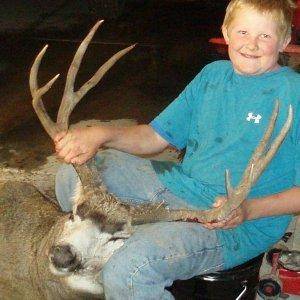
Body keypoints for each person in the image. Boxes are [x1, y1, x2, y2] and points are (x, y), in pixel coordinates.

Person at [54, 0, 300, 299]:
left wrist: (249, 209)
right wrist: (100, 135)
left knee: (130, 267)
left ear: (285, 40)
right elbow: (154, 138)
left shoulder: (293, 93)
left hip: (234, 222)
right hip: (179, 186)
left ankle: (133, 261)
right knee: (74, 174)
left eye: (265, 35)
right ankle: (119, 250)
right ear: (226, 32)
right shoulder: (213, 75)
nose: (251, 44)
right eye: (243, 31)